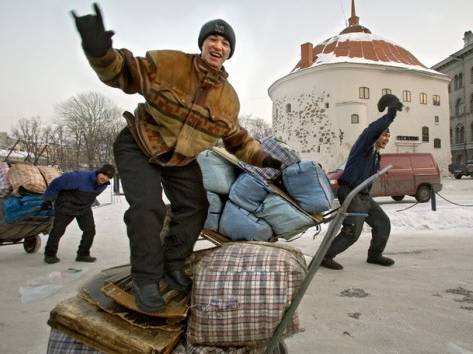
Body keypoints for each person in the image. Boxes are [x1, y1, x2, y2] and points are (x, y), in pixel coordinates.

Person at [71, 4, 283, 313]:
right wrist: (99, 50)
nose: (218, 46)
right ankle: (146, 277)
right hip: (139, 143)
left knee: (196, 206)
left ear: (229, 53)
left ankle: (172, 263)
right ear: (202, 44)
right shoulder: (169, 63)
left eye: (225, 43)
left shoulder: (228, 98)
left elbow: (238, 140)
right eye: (213, 39)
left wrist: (266, 159)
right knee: (148, 207)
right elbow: (123, 71)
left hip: (180, 158)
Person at [321, 94, 403, 270]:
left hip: (363, 196)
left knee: (382, 222)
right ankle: (325, 256)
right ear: (375, 136)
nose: (386, 138)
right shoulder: (364, 146)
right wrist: (390, 115)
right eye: (384, 135)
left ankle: (375, 254)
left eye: (389, 136)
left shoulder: (374, 154)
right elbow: (371, 131)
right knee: (352, 233)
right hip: (351, 192)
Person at [42, 164, 115, 264]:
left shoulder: (103, 185)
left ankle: (83, 254)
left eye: (108, 177)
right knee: (58, 231)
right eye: (104, 175)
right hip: (66, 207)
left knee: (90, 230)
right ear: (99, 172)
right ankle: (50, 255)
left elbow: (91, 194)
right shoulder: (79, 177)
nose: (105, 178)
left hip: (84, 208)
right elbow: (56, 183)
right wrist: (47, 200)